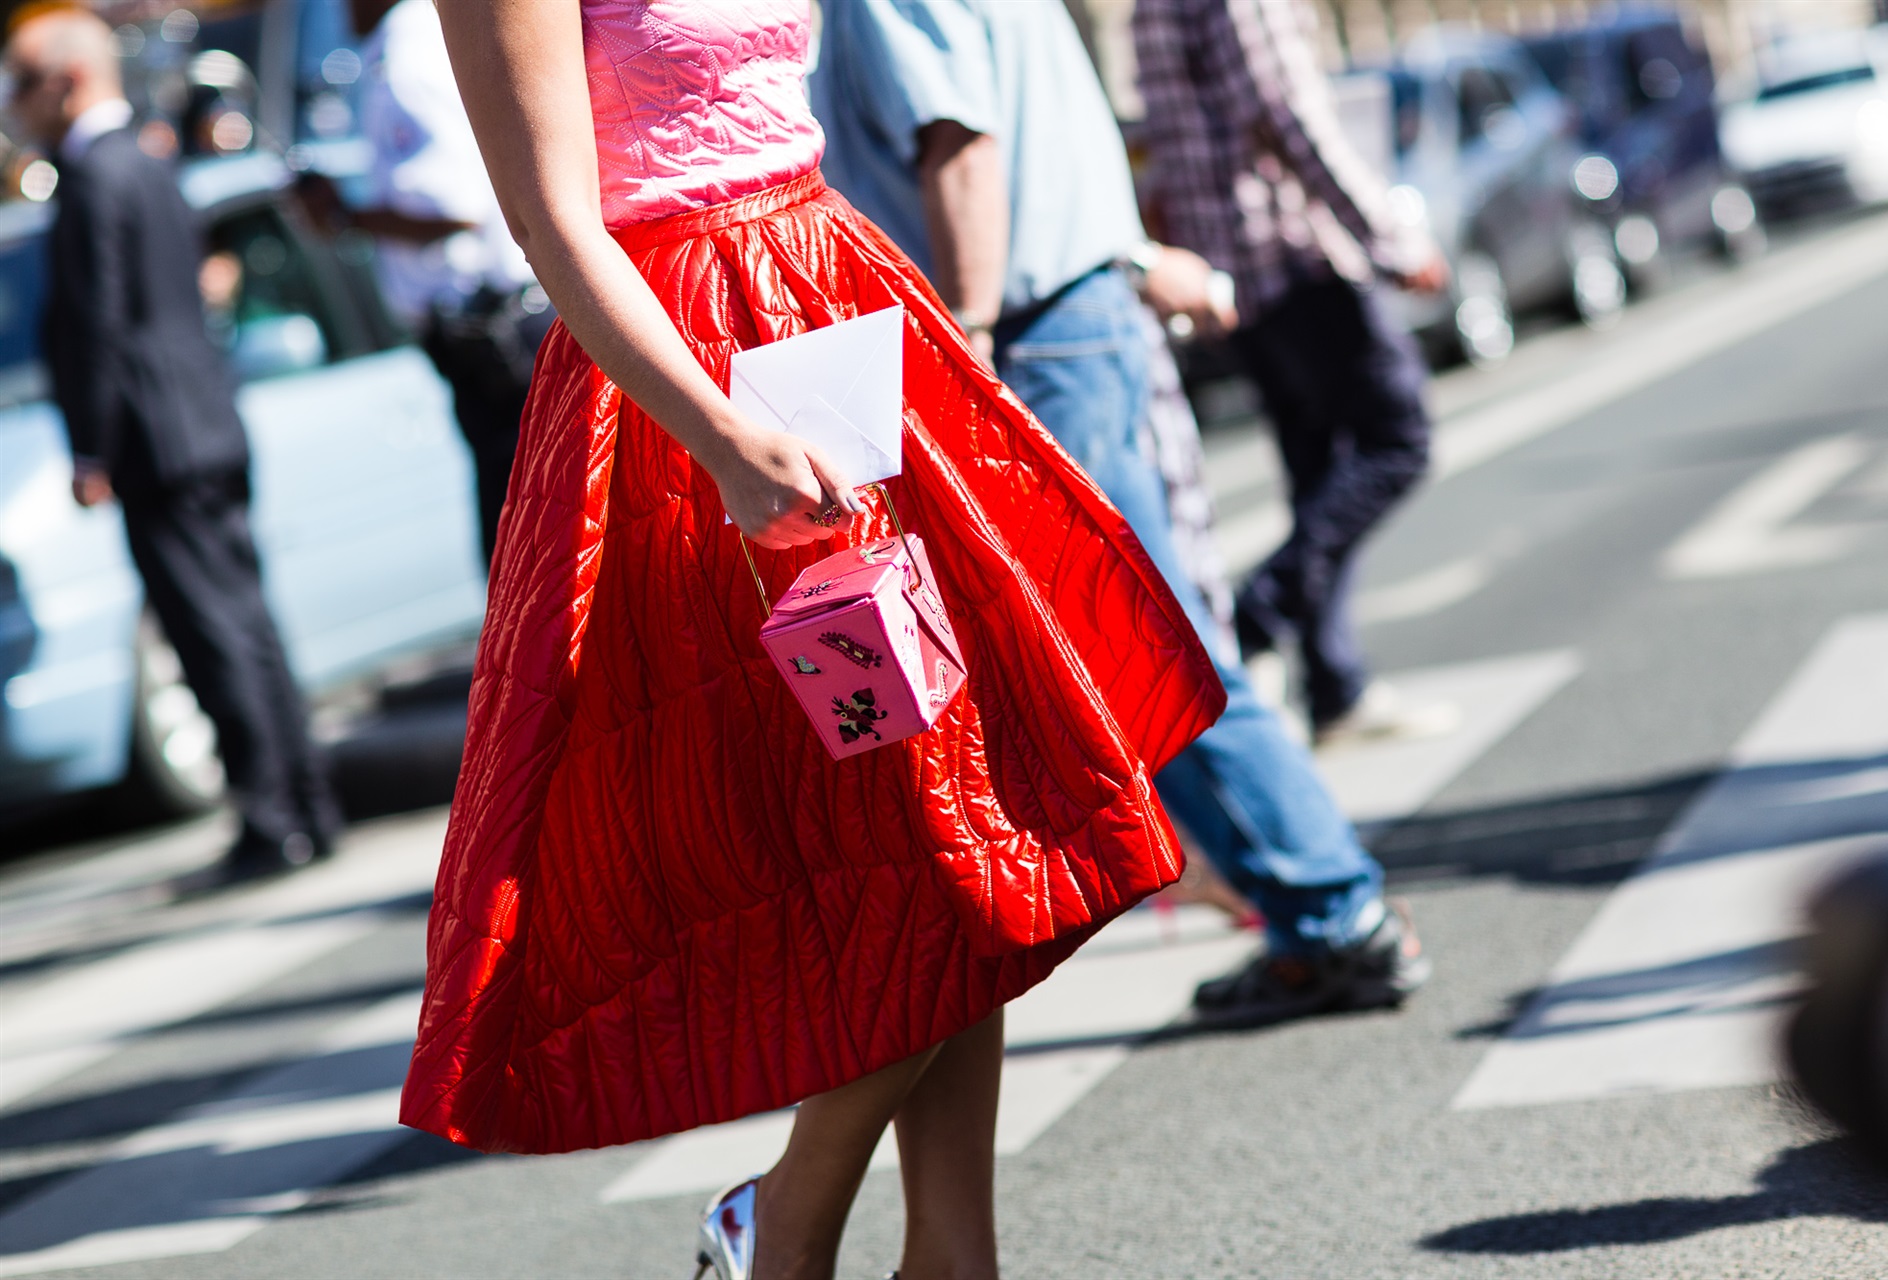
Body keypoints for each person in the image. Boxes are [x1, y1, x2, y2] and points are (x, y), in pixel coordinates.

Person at [396, 2, 1225, 1277]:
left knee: (959, 800)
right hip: (691, 393)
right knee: (917, 829)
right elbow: (553, 224)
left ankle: (949, 1249)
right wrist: (720, 438)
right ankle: (791, 1219)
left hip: (831, 323)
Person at [811, 0, 1430, 1024]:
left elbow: (960, 142)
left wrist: (964, 350)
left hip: (1019, 327)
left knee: (1130, 647)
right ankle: (1308, 901)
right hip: (1060, 315)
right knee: (1134, 641)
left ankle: (1327, 908)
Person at [7, 10, 339, 876]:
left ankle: (273, 818)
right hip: (204, 425)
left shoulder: (93, 177)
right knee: (247, 622)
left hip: (158, 441)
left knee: (212, 631)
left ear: (65, 81)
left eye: (19, 82)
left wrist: (90, 449)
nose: (13, 105)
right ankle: (305, 803)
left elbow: (100, 326)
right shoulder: (148, 162)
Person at [1134, 0, 1460, 747]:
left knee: (1317, 475)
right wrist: (1393, 239)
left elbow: (1168, 131)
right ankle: (1257, 621)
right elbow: (1289, 114)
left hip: (1235, 277)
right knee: (1397, 442)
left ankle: (1335, 684)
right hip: (1293, 258)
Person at [298, 0, 550, 568]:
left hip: (495, 336)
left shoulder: (407, 50)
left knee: (525, 559)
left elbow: (449, 206)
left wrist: (346, 215)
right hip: (492, 333)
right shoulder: (409, 43)